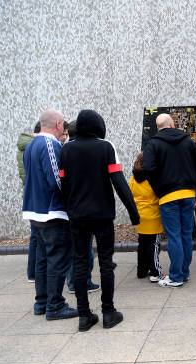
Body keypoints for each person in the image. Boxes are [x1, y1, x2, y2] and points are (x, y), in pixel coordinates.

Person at [60, 109, 140, 332]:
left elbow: (63, 185)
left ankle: (84, 316)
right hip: (102, 215)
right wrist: (134, 213)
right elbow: (119, 182)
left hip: (77, 216)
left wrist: (69, 209)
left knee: (79, 263)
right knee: (106, 263)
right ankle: (108, 312)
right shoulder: (106, 147)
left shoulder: (66, 150)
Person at [22, 109, 78, 321]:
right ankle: (55, 305)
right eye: (62, 125)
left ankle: (42, 302)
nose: (64, 129)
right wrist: (71, 200)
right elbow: (56, 180)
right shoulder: (50, 144)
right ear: (57, 125)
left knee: (43, 259)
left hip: (35, 210)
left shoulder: (30, 146)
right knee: (57, 258)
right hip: (51, 211)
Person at [142, 114, 196, 287]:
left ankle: (176, 277)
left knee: (174, 236)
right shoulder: (188, 141)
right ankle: (184, 272)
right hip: (188, 194)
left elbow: (148, 168)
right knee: (186, 235)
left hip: (168, 196)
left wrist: (159, 189)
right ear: (173, 124)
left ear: (157, 126)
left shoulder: (153, 144)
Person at [63, 120, 100, 294]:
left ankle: (77, 281)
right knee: (83, 249)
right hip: (84, 207)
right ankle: (80, 282)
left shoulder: (66, 149)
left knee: (78, 248)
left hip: (73, 207)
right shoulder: (79, 150)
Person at [129, 152, 164, 282]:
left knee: (142, 244)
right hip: (153, 215)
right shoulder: (152, 178)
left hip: (140, 216)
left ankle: (141, 270)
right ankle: (155, 272)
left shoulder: (133, 178)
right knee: (153, 245)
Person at [18, 120, 41, 283]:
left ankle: (31, 272)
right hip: (36, 194)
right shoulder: (34, 147)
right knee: (36, 236)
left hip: (29, 193)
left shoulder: (24, 146)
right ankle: (33, 272)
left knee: (35, 235)